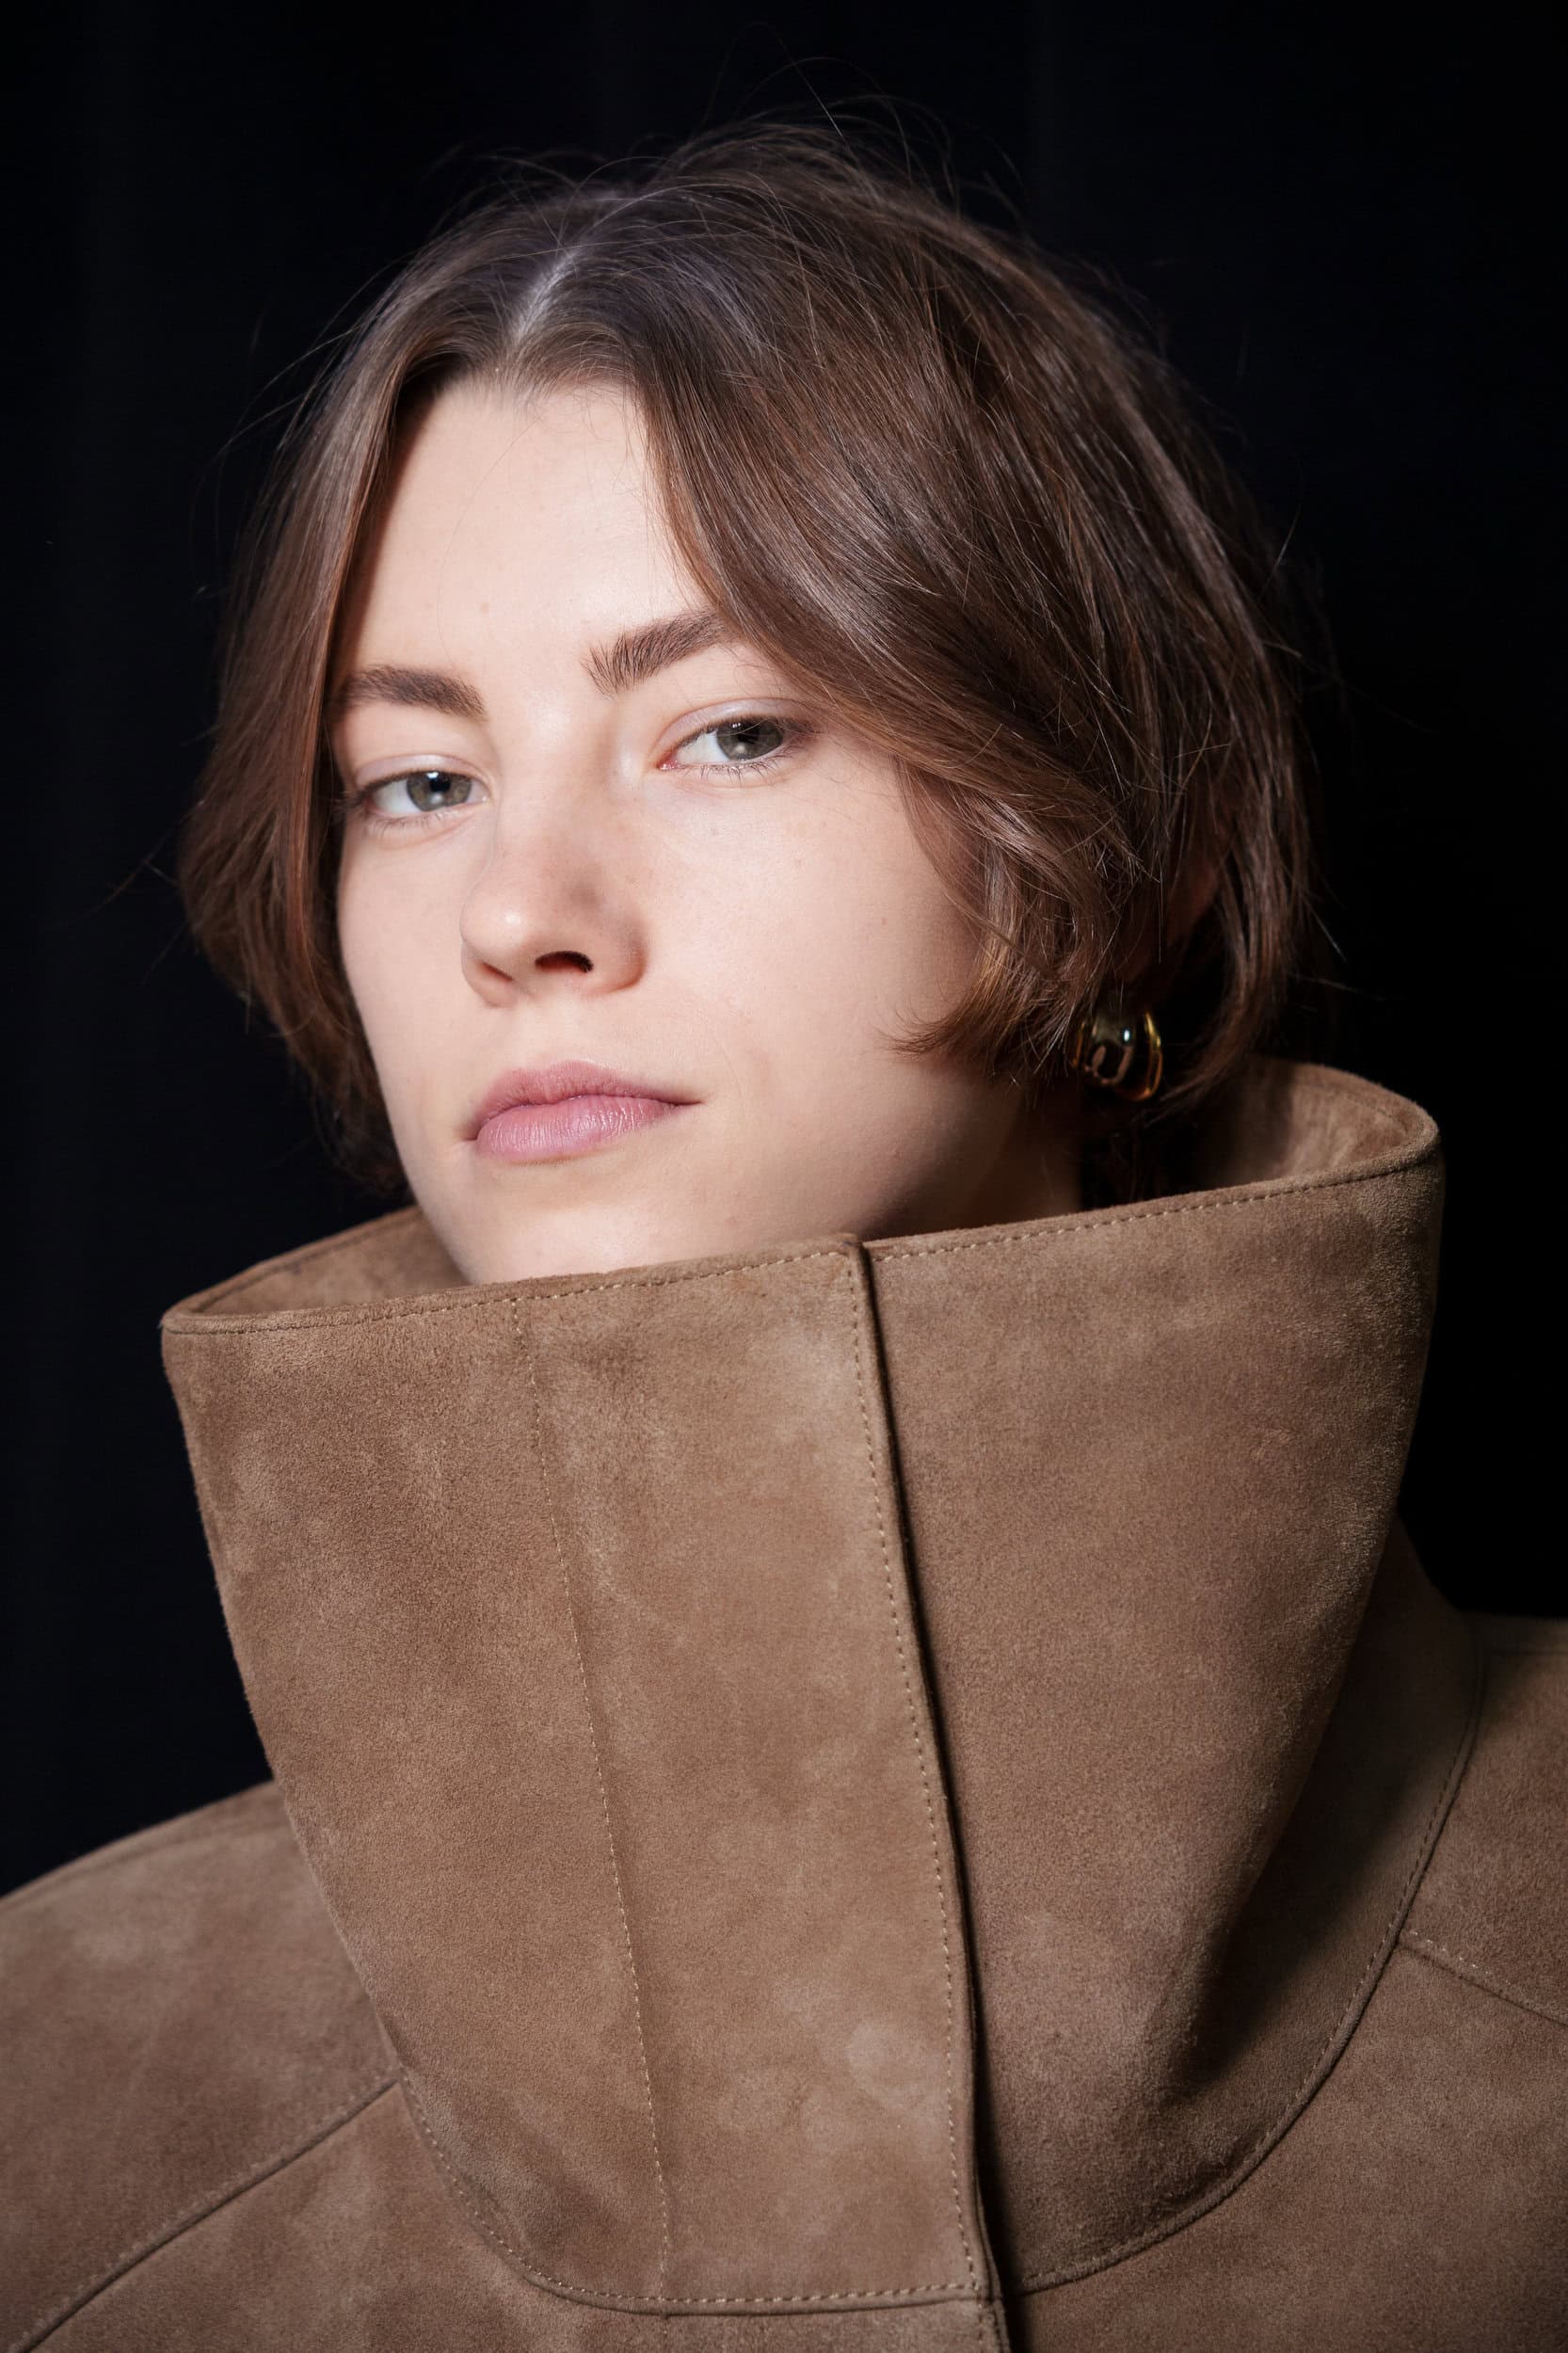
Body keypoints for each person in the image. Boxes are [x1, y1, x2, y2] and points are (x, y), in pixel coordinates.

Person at [3, 119, 1562, 2353]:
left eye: (724, 730)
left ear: (1107, 846)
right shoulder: (57, 2098)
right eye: (417, 781)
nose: (519, 912)